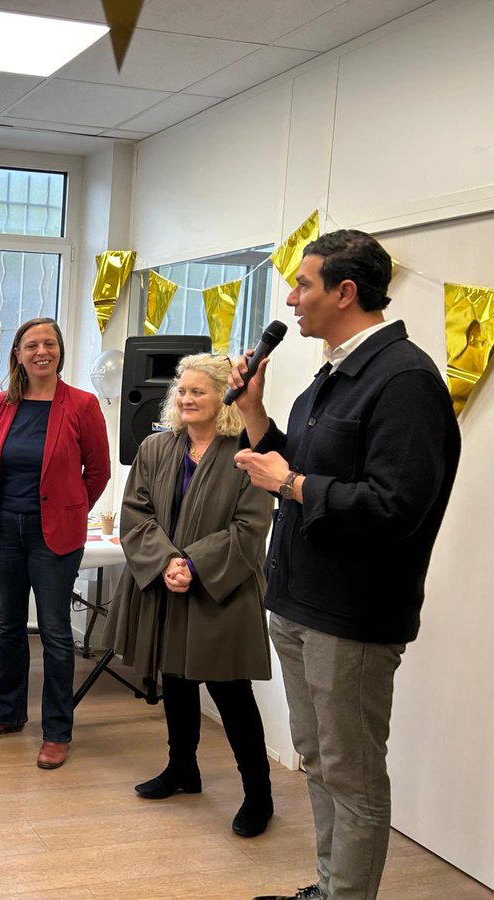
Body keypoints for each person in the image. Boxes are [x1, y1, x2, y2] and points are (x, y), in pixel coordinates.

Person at [232, 231, 460, 900]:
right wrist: (253, 413)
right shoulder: (331, 376)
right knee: (321, 765)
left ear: (345, 292)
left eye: (303, 285)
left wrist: (292, 485)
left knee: (352, 774)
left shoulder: (405, 380)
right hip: (300, 602)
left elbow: (397, 505)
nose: (292, 299)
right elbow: (295, 467)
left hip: (353, 617)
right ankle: (331, 890)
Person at [106, 353, 275, 837]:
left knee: (231, 694)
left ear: (224, 395)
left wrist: (194, 564)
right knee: (175, 682)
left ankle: (259, 796)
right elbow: (135, 515)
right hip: (166, 585)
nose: (185, 399)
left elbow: (251, 527)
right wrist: (167, 563)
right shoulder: (157, 448)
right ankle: (183, 770)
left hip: (221, 589)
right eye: (181, 392)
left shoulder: (247, 451)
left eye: (197, 391)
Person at [0, 317, 110, 769]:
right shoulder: (1, 404)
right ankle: (7, 713)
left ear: (60, 351)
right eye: (32, 344)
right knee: (8, 625)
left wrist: (69, 510)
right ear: (18, 353)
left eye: (49, 343)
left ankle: (56, 731)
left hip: (55, 536)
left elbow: (99, 471)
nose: (41, 351)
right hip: (4, 531)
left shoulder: (83, 405)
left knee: (54, 632)